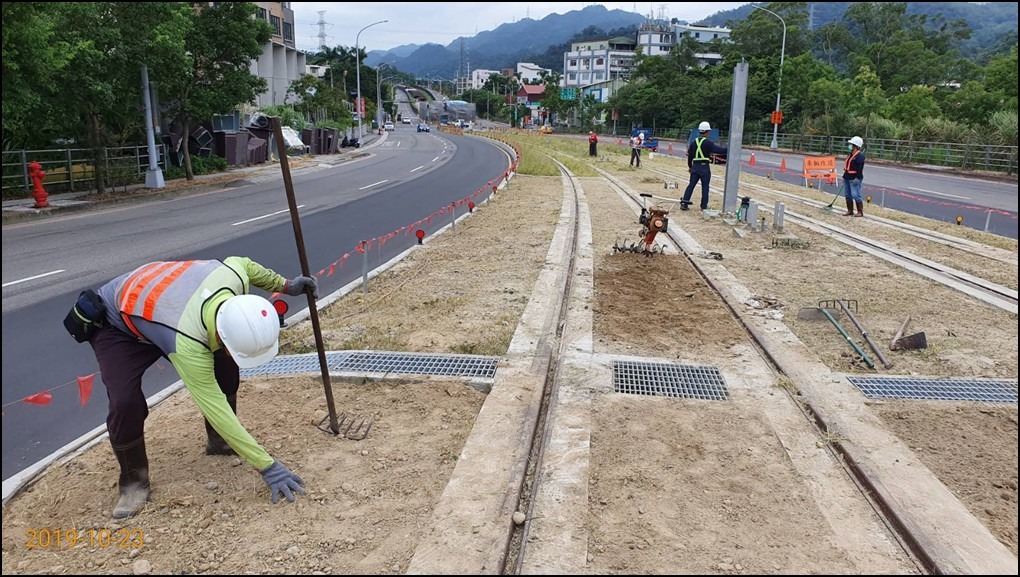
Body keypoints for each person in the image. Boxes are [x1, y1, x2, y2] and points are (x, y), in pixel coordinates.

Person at [66, 256, 318, 518]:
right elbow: (214, 406)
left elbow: (247, 265)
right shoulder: (187, 344)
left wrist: (287, 285)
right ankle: (133, 483)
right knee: (125, 402)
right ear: (221, 334)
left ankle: (219, 443)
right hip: (119, 322)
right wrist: (268, 467)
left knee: (227, 369)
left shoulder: (234, 276)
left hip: (165, 306)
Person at [680, 121, 727, 211]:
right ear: (707, 132)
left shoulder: (694, 143)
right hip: (704, 167)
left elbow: (690, 157)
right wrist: (730, 149)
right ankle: (703, 206)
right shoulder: (708, 143)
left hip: (695, 166)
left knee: (691, 185)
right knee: (705, 187)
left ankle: (684, 203)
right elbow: (718, 150)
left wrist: (690, 167)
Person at [843, 136, 866, 217]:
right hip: (847, 176)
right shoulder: (850, 154)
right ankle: (850, 210)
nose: (850, 146)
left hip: (854, 178)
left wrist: (857, 178)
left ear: (855, 146)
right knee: (847, 194)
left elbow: (860, 169)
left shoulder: (860, 156)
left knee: (855, 194)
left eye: (851, 144)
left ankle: (860, 211)